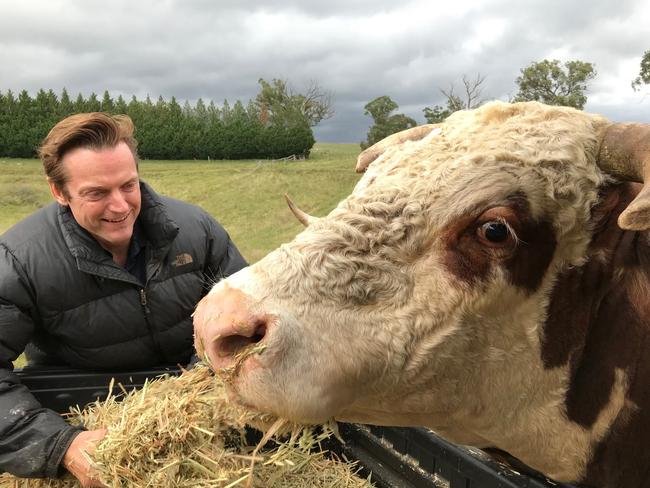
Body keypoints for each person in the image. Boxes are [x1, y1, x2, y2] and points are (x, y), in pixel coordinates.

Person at [0, 113, 247, 486]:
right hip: (85, 413)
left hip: (198, 406)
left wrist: (202, 379)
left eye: (128, 185)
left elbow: (244, 316)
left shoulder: (197, 231)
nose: (120, 207)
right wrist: (61, 445)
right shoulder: (20, 262)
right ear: (59, 192)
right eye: (96, 193)